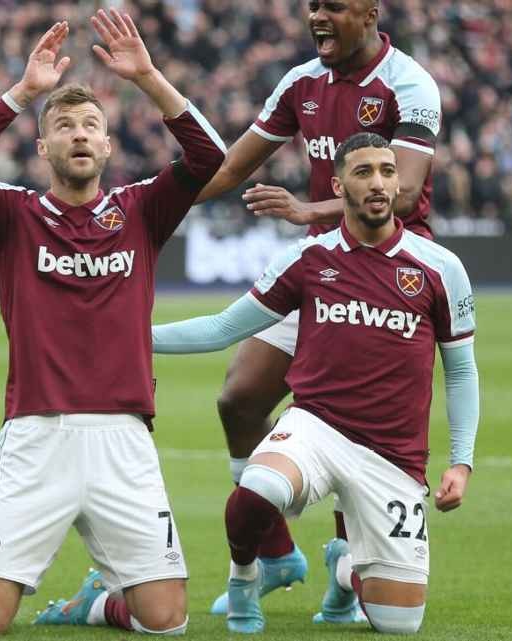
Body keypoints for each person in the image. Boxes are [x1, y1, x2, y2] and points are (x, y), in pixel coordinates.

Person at [0, 12, 225, 636]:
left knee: (166, 622)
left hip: (123, 437)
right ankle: (77, 587)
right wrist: (24, 92)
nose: (80, 135)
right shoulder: (13, 216)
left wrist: (148, 77)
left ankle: (99, 602)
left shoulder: (142, 210)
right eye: (64, 127)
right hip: (37, 437)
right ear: (44, 149)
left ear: (109, 145)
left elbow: (210, 155)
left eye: (92, 125)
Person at [152, 133, 479, 634]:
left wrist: (461, 460)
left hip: (394, 457)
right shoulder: (308, 260)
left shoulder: (440, 268)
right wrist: (128, 335)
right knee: (259, 486)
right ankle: (244, 575)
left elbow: (460, 369)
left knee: (399, 624)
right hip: (317, 429)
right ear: (337, 183)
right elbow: (222, 329)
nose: (378, 183)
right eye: (364, 171)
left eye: (388, 171)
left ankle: (345, 571)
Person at [191, 0, 444, 618]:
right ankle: (278, 553)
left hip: (391, 272)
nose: (317, 16)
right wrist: (149, 206)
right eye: (312, 6)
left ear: (370, 12)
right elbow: (231, 165)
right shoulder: (300, 82)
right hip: (321, 266)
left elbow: (404, 192)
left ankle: (347, 557)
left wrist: (309, 212)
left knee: (346, 415)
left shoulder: (409, 83)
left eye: (333, 5)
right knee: (240, 397)